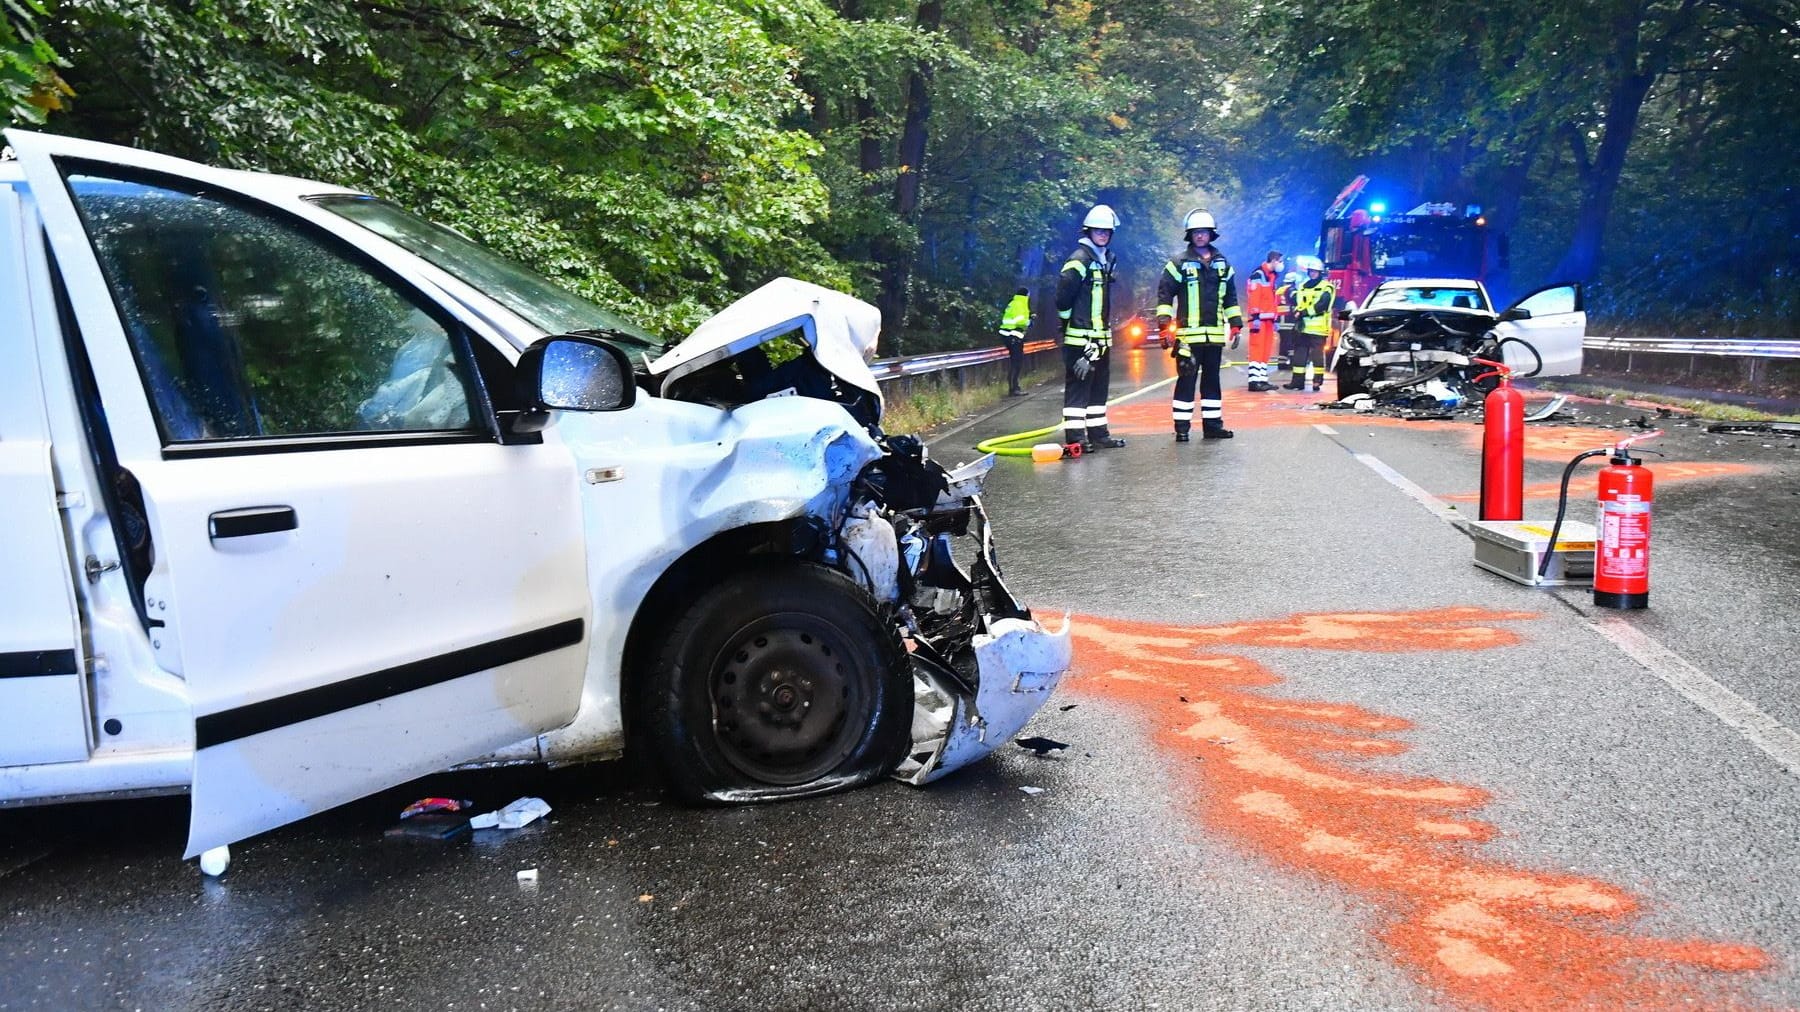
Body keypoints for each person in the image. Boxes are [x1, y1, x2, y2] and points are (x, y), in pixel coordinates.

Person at [1157, 208, 1243, 441]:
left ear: (1211, 234)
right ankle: (1182, 428)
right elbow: (1164, 296)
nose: (1200, 236)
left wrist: (1235, 324)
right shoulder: (1178, 264)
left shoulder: (1223, 264)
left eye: (1204, 232)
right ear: (1190, 235)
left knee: (1212, 382)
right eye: (1196, 232)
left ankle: (1213, 426)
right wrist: (1164, 326)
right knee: (1186, 380)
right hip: (1188, 338)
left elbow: (1231, 297)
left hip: (1214, 337)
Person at [1055, 205, 1126, 449]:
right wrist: (1067, 322)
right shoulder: (1080, 259)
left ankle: (1098, 434)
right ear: (1089, 231)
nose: (1103, 235)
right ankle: (1076, 438)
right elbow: (1063, 296)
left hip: (1101, 340)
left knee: (1098, 389)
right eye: (1099, 231)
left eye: (1107, 231)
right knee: (1078, 388)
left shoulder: (1106, 260)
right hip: (1080, 338)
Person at [1286, 255, 1338, 392]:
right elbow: (1298, 302)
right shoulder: (1303, 286)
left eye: (1315, 271)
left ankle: (1317, 381)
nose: (1313, 273)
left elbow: (1322, 305)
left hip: (1318, 329)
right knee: (1299, 356)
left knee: (1317, 356)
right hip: (1302, 328)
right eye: (1311, 271)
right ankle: (1297, 382)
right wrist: (1296, 310)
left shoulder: (1327, 287)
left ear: (1320, 272)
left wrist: (1303, 313)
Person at [1243, 250, 1285, 392]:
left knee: (1266, 350)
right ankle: (1254, 381)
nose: (1281, 264)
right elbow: (1254, 296)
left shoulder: (1271, 276)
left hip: (1268, 319)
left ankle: (1262, 379)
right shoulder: (1259, 274)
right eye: (1280, 261)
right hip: (1259, 319)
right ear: (1273, 260)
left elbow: (1272, 300)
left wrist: (1275, 318)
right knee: (1257, 349)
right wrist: (1255, 317)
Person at [998, 286, 1032, 396]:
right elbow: (1020, 321)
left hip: (1007, 334)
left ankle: (1013, 387)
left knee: (1015, 361)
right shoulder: (1021, 304)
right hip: (1014, 335)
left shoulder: (1013, 303)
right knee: (1016, 362)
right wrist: (1029, 322)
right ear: (1026, 295)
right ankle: (1014, 389)